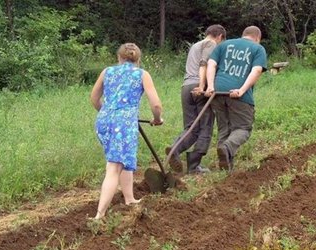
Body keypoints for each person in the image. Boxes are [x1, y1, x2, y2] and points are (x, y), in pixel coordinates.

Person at [90, 43, 163, 220]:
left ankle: (129, 199)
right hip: (123, 124)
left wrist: (108, 113)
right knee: (114, 166)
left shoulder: (107, 71)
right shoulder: (142, 74)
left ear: (119, 58)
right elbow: (156, 104)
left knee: (122, 159)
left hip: (103, 121)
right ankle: (99, 215)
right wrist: (157, 119)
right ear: (138, 59)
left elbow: (94, 98)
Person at [166, 24, 226, 174]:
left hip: (186, 87)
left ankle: (175, 149)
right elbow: (204, 64)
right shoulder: (211, 44)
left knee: (191, 127)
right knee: (205, 127)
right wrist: (202, 86)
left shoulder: (195, 45)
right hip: (199, 87)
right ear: (219, 36)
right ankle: (194, 166)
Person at [205, 26, 267, 172]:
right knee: (243, 128)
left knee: (224, 128)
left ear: (243, 35)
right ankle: (226, 149)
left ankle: (225, 167)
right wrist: (241, 90)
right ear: (258, 37)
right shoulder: (258, 49)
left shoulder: (224, 45)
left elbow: (211, 64)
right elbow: (257, 70)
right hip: (238, 94)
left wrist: (211, 86)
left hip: (218, 92)